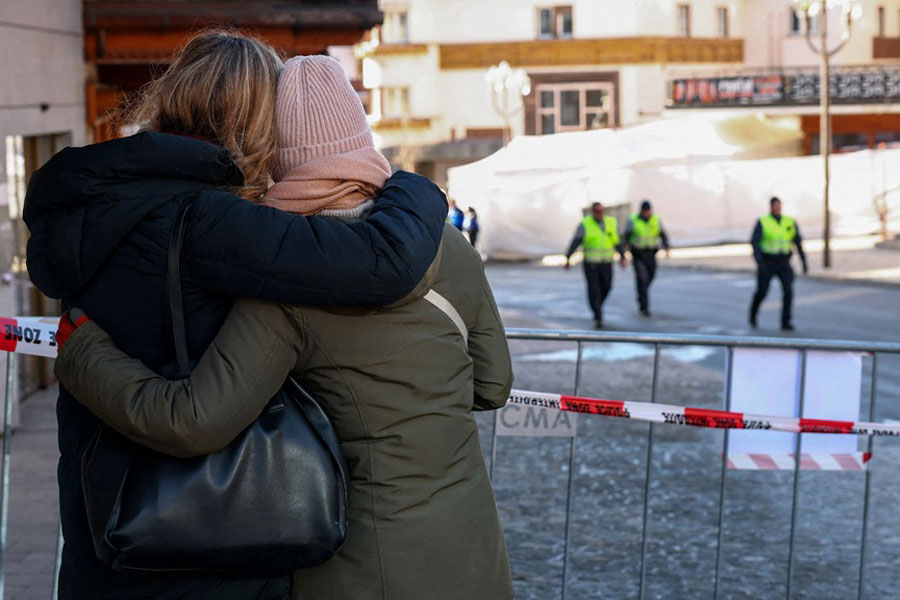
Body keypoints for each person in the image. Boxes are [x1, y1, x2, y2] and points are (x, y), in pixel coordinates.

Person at [52, 55, 514, 600]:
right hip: (472, 545)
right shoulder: (449, 246)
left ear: (277, 157)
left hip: (358, 563)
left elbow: (195, 420)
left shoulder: (283, 289)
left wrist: (82, 353)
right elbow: (492, 386)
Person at [748, 196, 808, 331]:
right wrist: (758, 260)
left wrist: (804, 261)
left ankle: (785, 322)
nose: (777, 208)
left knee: (788, 291)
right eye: (775, 206)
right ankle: (753, 316)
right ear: (771, 207)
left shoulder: (789, 221)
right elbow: (754, 242)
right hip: (767, 263)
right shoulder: (763, 221)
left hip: (784, 263)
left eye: (779, 206)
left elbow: (797, 242)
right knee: (762, 292)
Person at [564, 202, 626, 328]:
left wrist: (622, 256)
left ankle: (598, 305)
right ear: (592, 212)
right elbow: (576, 241)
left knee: (607, 287)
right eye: (597, 212)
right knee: (593, 289)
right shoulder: (585, 224)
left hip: (606, 262)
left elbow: (617, 241)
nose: (599, 214)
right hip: (591, 263)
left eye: (601, 211)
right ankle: (598, 315)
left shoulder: (611, 222)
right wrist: (568, 257)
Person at [622, 199, 670, 317]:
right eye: (645, 211)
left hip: (651, 254)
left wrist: (666, 246)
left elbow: (662, 234)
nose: (647, 213)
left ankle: (641, 294)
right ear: (641, 211)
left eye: (648, 211)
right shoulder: (633, 220)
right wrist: (623, 252)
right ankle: (644, 306)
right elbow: (626, 236)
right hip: (638, 254)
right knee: (642, 279)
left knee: (651, 276)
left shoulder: (655, 219)